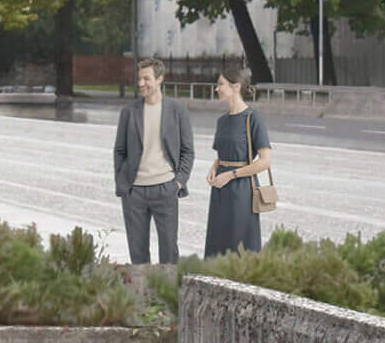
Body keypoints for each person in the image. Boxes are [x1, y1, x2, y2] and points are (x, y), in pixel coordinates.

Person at [111, 57, 195, 264]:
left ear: (160, 79)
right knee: (138, 254)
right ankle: (142, 295)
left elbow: (188, 151)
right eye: (139, 79)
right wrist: (123, 183)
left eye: (146, 79)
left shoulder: (177, 110)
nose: (141, 84)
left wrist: (178, 181)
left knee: (168, 253)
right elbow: (119, 150)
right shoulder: (129, 112)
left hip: (165, 189)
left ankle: (167, 294)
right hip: (134, 193)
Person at [203, 66, 274, 257]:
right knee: (218, 241)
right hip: (219, 189)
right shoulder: (222, 121)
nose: (216, 89)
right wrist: (214, 167)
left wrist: (232, 174)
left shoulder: (253, 118)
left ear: (236, 87)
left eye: (220, 84)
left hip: (242, 191)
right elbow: (223, 154)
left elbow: (265, 161)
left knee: (239, 244)